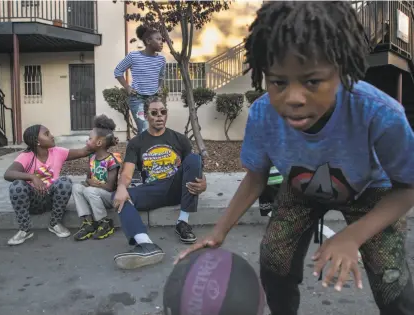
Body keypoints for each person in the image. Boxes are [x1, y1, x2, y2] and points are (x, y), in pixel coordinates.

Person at [176, 2, 414, 315]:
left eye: (312, 81)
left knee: (392, 283)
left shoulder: (379, 114)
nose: (293, 98)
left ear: (341, 72)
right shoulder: (263, 114)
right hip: (302, 187)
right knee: (274, 262)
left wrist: (352, 236)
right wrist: (219, 231)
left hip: (370, 190)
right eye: (278, 82)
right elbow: (256, 177)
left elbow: (408, 187)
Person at [112, 96, 207, 270]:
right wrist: (120, 187)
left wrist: (204, 183)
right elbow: (127, 172)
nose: (159, 116)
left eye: (163, 112)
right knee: (120, 196)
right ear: (146, 116)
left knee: (194, 158)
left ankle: (182, 222)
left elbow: (193, 167)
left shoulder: (179, 139)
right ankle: (146, 245)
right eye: (154, 113)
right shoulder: (136, 143)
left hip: (177, 188)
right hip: (152, 190)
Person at [4, 125, 95, 246]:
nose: (52, 136)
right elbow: (8, 174)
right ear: (37, 141)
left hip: (52, 201)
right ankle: (24, 230)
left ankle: (54, 223)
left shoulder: (58, 152)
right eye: (46, 134)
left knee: (65, 182)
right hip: (33, 202)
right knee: (17, 186)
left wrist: (104, 140)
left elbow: (84, 151)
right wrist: (32, 177)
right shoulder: (25, 156)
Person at [72, 115, 121, 241]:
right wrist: (88, 182)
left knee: (89, 190)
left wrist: (92, 184)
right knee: (76, 187)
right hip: (94, 193)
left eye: (89, 139)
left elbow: (110, 187)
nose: (86, 141)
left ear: (99, 142)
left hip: (109, 197)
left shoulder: (111, 160)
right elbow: (88, 179)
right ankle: (88, 222)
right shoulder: (92, 158)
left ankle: (105, 223)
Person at [114, 25, 166, 133]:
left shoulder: (161, 59)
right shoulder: (133, 56)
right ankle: (142, 149)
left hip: (154, 99)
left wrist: (160, 87)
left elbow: (161, 76)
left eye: (162, 39)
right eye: (158, 39)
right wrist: (127, 87)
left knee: (156, 129)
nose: (161, 42)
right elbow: (118, 71)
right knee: (144, 129)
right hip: (138, 99)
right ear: (148, 41)